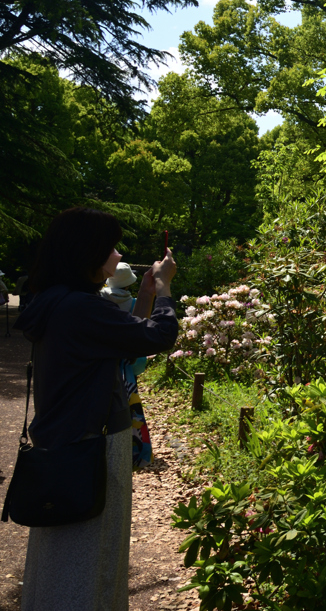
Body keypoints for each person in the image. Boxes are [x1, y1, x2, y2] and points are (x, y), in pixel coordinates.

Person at [13, 208, 178, 610]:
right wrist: (166, 290)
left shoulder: (56, 302)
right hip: (92, 447)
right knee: (90, 556)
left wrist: (144, 295)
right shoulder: (81, 309)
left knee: (63, 555)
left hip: (64, 444)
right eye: (111, 247)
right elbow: (159, 336)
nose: (119, 255)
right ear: (86, 252)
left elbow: (123, 344)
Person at [100, 262, 154, 468]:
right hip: (127, 363)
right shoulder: (133, 302)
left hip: (104, 359)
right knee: (129, 403)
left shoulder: (100, 298)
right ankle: (133, 448)